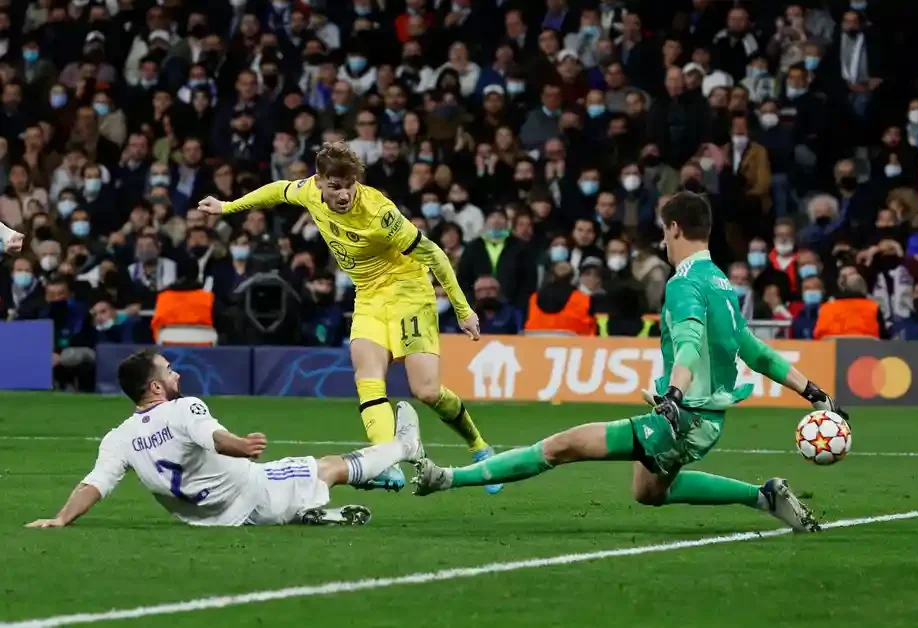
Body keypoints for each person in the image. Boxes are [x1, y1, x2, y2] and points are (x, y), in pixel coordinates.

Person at [408, 192, 841, 532]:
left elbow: (689, 344)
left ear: (674, 228)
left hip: (682, 417)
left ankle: (444, 477)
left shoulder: (684, 283)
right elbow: (756, 351)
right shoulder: (722, 284)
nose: (663, 241)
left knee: (559, 447)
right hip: (703, 420)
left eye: (664, 231)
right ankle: (765, 496)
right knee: (648, 491)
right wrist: (813, 391)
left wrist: (674, 394)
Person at [197, 143, 500, 494]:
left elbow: (434, 254)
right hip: (369, 295)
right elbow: (277, 190)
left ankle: (479, 446)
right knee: (368, 378)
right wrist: (227, 206)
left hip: (408, 292)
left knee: (427, 391)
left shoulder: (379, 214)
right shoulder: (309, 191)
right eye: (335, 186)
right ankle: (385, 462)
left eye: (349, 185)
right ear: (319, 182)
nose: (343, 194)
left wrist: (463, 309)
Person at [26, 350, 424, 529]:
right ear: (156, 387)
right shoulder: (183, 408)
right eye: (169, 370)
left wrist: (61, 518)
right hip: (252, 492)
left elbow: (95, 484)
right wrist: (242, 446)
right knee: (328, 468)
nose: (176, 374)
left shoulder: (119, 437)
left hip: (208, 521)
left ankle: (307, 513)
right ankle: (406, 446)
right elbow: (214, 438)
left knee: (301, 481)